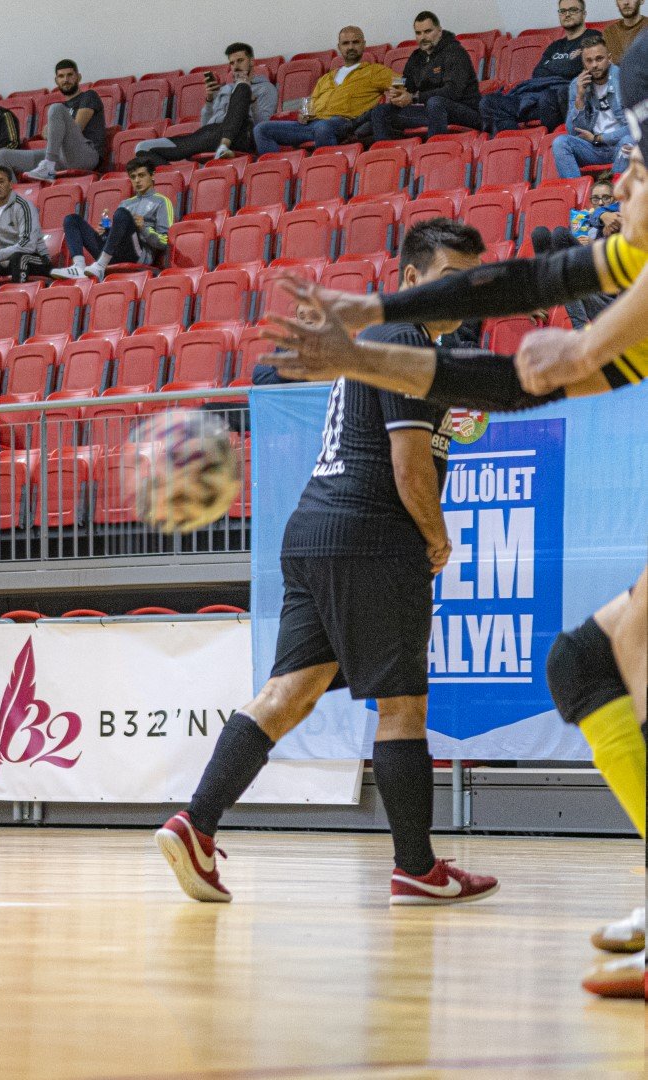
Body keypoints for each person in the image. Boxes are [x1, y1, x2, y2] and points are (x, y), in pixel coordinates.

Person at [260, 162, 648, 995]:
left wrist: (575, 347)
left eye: (639, 169)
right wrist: (368, 328)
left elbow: (542, 336)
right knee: (584, 663)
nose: (619, 177)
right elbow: (522, 315)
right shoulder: (630, 264)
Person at [157, 218, 501, 910]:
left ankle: (193, 823)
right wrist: (434, 538)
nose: (458, 293)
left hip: (314, 528)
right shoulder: (403, 339)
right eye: (445, 278)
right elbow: (407, 465)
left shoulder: (388, 339)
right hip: (372, 531)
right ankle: (415, 867)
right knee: (402, 703)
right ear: (409, 281)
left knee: (289, 692)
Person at [254, 27, 395, 153]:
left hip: (344, 123)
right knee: (261, 130)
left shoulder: (374, 71)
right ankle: (279, 173)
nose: (351, 47)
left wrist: (402, 93)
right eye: (346, 43)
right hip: (312, 124)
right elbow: (310, 105)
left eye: (355, 42)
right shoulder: (326, 78)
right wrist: (302, 116)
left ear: (364, 45)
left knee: (323, 127)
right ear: (339, 47)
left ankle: (329, 170)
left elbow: (401, 82)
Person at [136, 43, 278, 164]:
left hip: (242, 136)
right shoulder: (226, 89)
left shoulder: (266, 88)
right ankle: (184, 179)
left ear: (252, 61)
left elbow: (262, 128)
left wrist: (251, 101)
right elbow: (206, 125)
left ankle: (224, 146)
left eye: (240, 60)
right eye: (232, 63)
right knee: (143, 148)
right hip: (210, 135)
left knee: (242, 87)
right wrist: (210, 99)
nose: (235, 67)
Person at [481, 2, 605, 134]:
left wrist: (554, 66)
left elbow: (576, 67)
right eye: (562, 11)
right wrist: (568, 63)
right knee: (488, 102)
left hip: (564, 97)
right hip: (537, 97)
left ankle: (548, 141)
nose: (567, 14)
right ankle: (516, 139)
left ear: (584, 14)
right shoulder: (555, 46)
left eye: (573, 10)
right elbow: (538, 73)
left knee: (548, 97)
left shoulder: (593, 37)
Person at [365, 12, 483, 141]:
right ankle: (389, 156)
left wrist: (414, 98)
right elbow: (405, 82)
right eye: (419, 33)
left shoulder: (455, 52)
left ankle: (434, 152)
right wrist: (397, 91)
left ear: (439, 31)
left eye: (427, 31)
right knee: (380, 111)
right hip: (434, 113)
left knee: (435, 102)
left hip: (466, 112)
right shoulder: (416, 57)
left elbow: (452, 91)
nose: (423, 37)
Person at [53, 156, 174, 280]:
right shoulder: (126, 203)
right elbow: (117, 233)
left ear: (152, 176)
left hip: (138, 255)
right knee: (72, 219)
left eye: (141, 175)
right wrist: (105, 232)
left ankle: (100, 264)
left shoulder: (162, 202)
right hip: (112, 253)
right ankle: (79, 266)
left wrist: (143, 228)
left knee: (122, 214)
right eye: (133, 177)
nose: (137, 180)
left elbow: (165, 242)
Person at [0, 59, 105, 182]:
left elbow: (77, 128)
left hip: (86, 155)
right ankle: (16, 198)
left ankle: (48, 166)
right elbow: (45, 134)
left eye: (70, 75)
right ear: (56, 81)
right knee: (2, 156)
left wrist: (56, 128)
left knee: (55, 108)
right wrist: (55, 129)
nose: (65, 80)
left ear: (78, 77)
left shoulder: (89, 96)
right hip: (60, 157)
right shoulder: (61, 108)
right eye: (61, 76)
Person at [552, 39, 633, 177]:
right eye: (589, 61)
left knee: (629, 141)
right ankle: (578, 193)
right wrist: (580, 98)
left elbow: (635, 126)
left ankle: (613, 192)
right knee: (560, 143)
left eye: (599, 59)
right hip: (593, 148)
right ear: (583, 63)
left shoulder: (625, 80)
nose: (594, 65)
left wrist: (599, 138)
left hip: (619, 144)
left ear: (610, 58)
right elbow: (573, 132)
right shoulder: (576, 86)